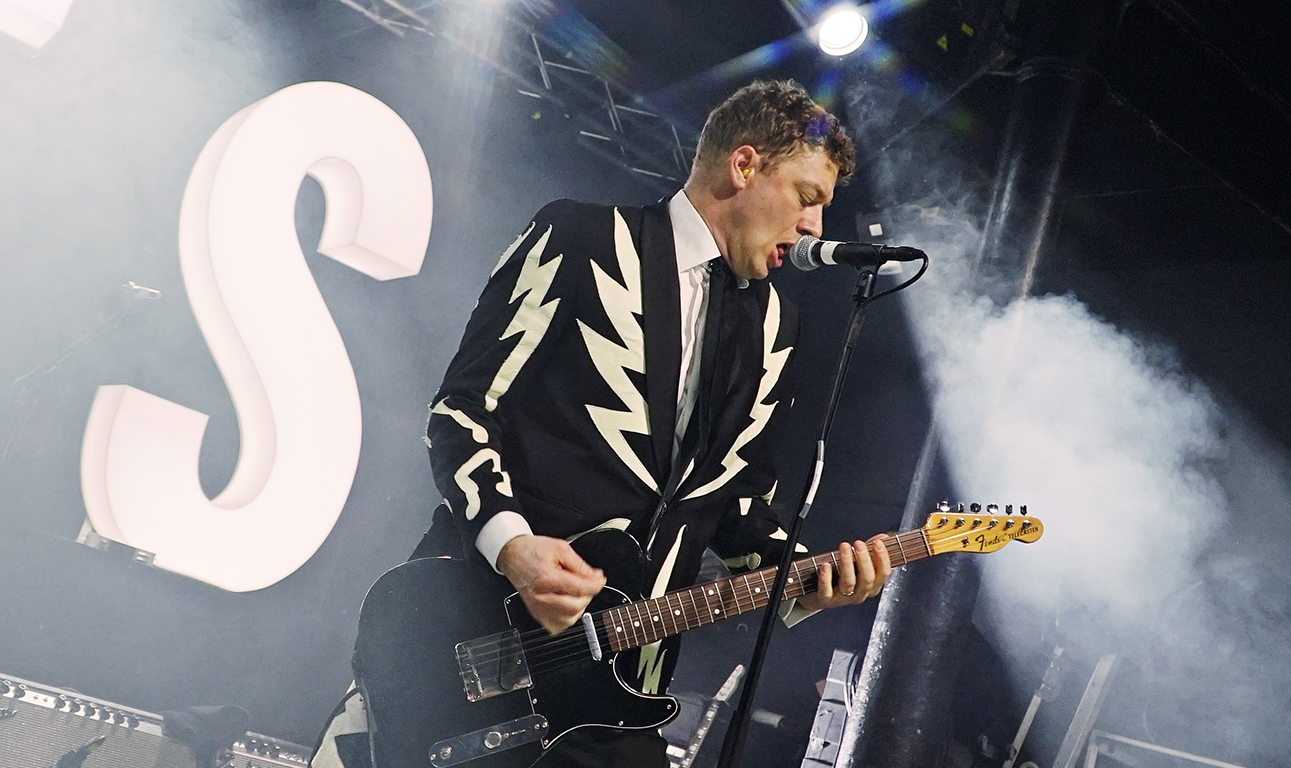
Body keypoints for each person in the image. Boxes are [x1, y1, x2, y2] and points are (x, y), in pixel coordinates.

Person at [311, 79, 892, 768]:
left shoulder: (776, 325)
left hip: (620, 696)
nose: (816, 229)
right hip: (473, 643)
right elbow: (463, 412)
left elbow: (735, 505)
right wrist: (514, 548)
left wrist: (812, 579)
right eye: (807, 197)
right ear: (744, 167)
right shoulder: (581, 237)